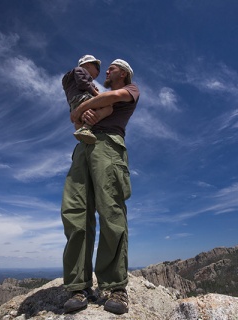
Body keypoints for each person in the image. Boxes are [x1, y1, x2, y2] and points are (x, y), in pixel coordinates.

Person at [61, 59, 139, 315]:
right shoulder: (100, 94)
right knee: (76, 211)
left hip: (109, 147)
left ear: (124, 73)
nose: (106, 71)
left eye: (112, 68)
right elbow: (80, 118)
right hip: (83, 147)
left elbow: (112, 98)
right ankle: (78, 286)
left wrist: (81, 109)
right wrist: (85, 112)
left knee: (111, 212)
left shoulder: (131, 90)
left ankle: (115, 286)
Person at [62, 54, 113, 144]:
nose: (99, 71)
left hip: (74, 104)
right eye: (97, 67)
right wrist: (96, 93)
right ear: (87, 65)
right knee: (108, 107)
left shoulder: (68, 80)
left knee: (85, 116)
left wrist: (92, 87)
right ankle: (86, 128)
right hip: (82, 98)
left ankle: (84, 130)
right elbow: (83, 84)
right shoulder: (80, 70)